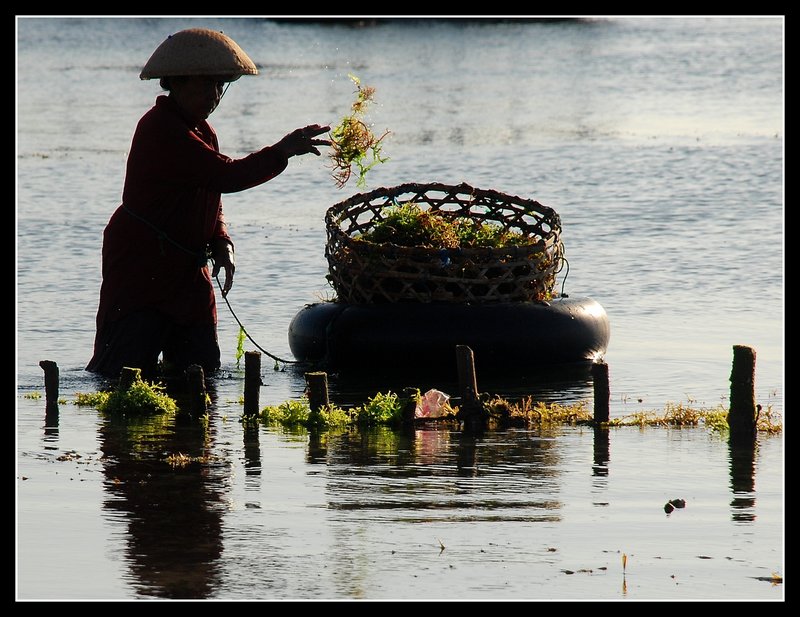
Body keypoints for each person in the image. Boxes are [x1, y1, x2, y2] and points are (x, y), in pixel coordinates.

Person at [86, 27, 330, 379]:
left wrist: (221, 240)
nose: (213, 95)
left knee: (200, 371)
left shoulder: (204, 132)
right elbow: (226, 176)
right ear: (177, 83)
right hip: (143, 268)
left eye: (219, 86)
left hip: (187, 269)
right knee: (122, 373)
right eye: (204, 85)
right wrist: (281, 151)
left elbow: (210, 193)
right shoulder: (160, 129)